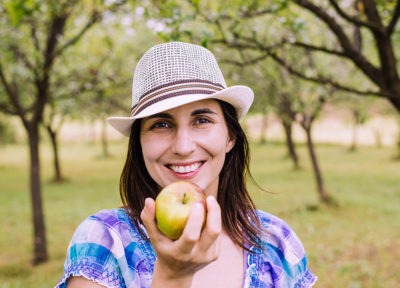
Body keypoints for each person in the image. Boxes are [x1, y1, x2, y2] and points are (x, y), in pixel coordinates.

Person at [56, 41, 317, 288]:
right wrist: (171, 277)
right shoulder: (104, 242)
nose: (183, 147)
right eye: (161, 124)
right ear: (139, 144)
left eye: (202, 120)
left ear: (230, 136)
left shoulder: (277, 243)